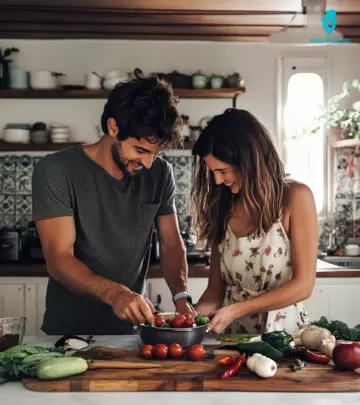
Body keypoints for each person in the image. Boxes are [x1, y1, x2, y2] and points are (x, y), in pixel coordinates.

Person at [32, 71, 195, 335]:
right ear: (113, 127)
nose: (148, 163)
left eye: (155, 153)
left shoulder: (159, 173)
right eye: (140, 150)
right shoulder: (56, 170)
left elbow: (171, 243)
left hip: (131, 332)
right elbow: (59, 257)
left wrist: (181, 296)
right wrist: (115, 293)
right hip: (69, 333)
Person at [192, 109, 318, 335]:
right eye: (213, 173)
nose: (218, 181)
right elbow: (214, 291)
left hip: (283, 337)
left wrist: (237, 310)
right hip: (232, 339)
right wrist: (190, 321)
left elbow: (303, 285)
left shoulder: (296, 197)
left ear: (249, 161)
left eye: (223, 171)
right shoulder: (222, 206)